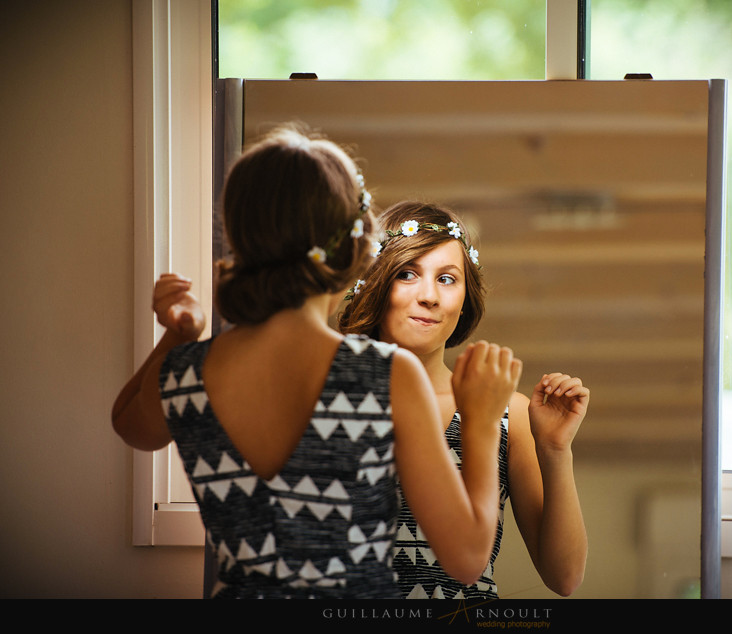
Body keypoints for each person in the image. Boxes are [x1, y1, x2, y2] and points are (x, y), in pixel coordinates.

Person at [111, 126, 522, 599]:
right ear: (355, 249)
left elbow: (131, 427)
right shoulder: (382, 375)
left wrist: (177, 338)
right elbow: (468, 560)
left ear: (241, 241)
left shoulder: (184, 372)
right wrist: (483, 424)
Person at [339, 201, 589, 600]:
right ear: (373, 284)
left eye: (447, 279)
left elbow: (564, 578)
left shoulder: (510, 412)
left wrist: (555, 449)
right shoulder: (329, 400)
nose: (429, 296)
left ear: (465, 298)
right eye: (407, 274)